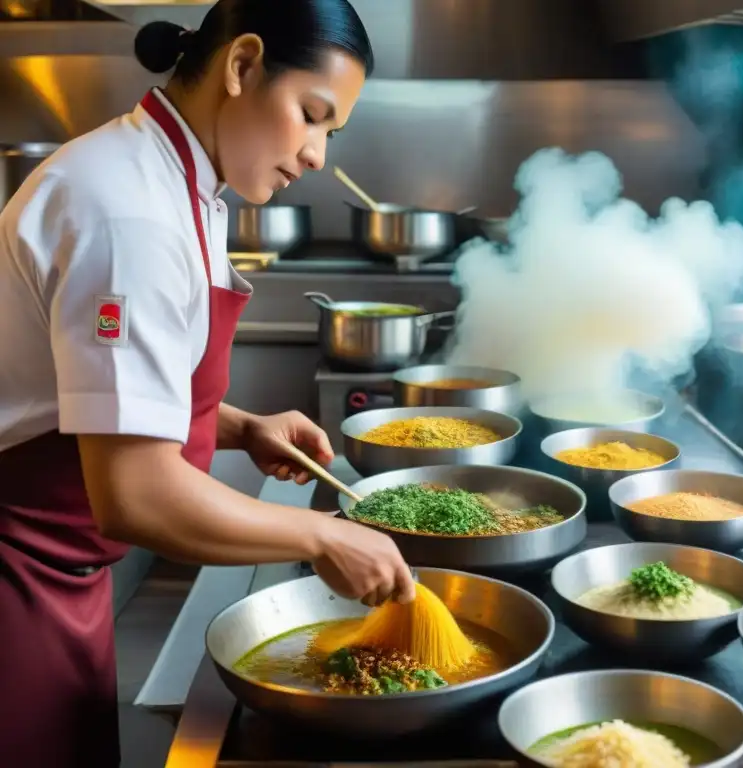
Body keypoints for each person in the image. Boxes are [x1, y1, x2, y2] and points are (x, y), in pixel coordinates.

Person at [0, 2, 416, 765]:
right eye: (312, 116)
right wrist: (324, 534)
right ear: (241, 65)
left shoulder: (177, 178)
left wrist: (233, 423)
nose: (319, 154)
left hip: (62, 574)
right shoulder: (129, 214)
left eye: (332, 132)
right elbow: (136, 494)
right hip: (16, 580)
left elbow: (94, 390)